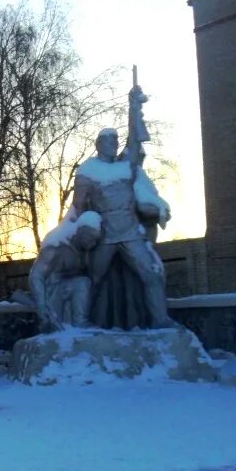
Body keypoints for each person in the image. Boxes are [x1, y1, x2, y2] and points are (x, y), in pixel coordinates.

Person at [71, 75, 174, 330]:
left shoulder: (125, 165)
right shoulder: (88, 170)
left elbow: (135, 139)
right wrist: (78, 234)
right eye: (108, 141)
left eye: (115, 141)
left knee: (150, 275)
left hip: (130, 232)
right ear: (99, 145)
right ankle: (81, 321)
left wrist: (133, 106)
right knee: (94, 279)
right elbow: (79, 207)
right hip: (105, 234)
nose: (114, 144)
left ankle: (160, 320)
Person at [29, 211, 102, 333]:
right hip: (50, 292)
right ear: (82, 233)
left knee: (83, 282)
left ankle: (80, 323)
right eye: (92, 239)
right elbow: (36, 276)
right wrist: (41, 305)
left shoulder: (83, 250)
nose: (93, 244)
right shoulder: (55, 246)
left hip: (65, 289)